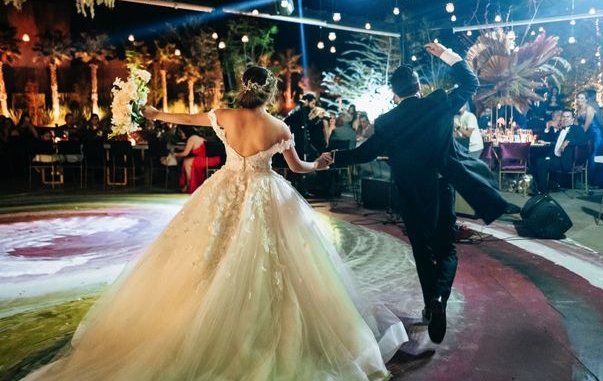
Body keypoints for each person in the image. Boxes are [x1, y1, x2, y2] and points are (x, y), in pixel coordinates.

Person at [23, 66, 407, 381]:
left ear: (244, 88)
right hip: (265, 192)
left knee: (207, 257)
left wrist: (154, 114)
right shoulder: (279, 128)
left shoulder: (223, 116)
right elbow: (296, 169)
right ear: (269, 93)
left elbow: (187, 118)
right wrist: (320, 163)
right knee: (275, 264)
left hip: (223, 189)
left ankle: (195, 324)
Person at [322, 42, 511, 345]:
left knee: (423, 252)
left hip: (411, 194)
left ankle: (430, 302)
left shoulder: (386, 121)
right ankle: (439, 299)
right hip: (441, 187)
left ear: (395, 94)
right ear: (419, 86)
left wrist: (331, 158)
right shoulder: (438, 103)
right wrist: (446, 54)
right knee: (447, 249)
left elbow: (364, 154)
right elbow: (470, 82)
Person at [532, 110, 588, 194]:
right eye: (564, 117)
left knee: (541, 163)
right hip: (556, 157)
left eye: (568, 117)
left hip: (566, 161)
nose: (565, 119)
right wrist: (547, 129)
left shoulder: (577, 129)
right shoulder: (560, 130)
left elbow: (584, 141)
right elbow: (552, 143)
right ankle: (542, 187)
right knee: (537, 159)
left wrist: (568, 141)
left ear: (572, 119)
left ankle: (543, 191)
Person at [175, 126, 221, 193]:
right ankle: (188, 184)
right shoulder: (196, 137)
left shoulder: (192, 138)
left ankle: (189, 185)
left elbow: (185, 153)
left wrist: (175, 154)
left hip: (207, 159)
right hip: (208, 158)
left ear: (185, 131)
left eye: (181, 132)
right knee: (187, 161)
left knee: (187, 162)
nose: (180, 134)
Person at [576, 91, 603, 186]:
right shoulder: (578, 110)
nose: (579, 100)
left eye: (582, 98)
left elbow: (587, 123)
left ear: (586, 99)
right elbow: (576, 124)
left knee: (594, 155)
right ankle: (584, 180)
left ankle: (594, 181)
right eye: (578, 98)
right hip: (586, 133)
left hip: (595, 133)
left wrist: (579, 135)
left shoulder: (589, 108)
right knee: (585, 154)